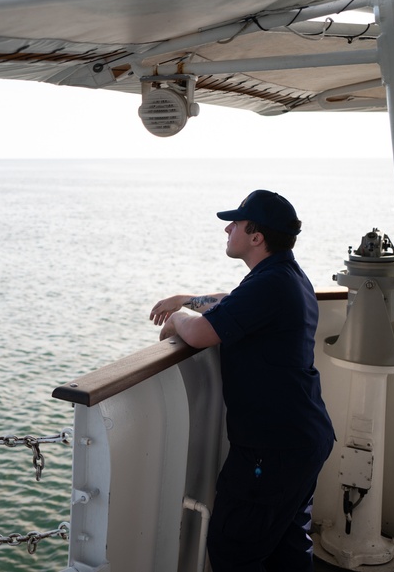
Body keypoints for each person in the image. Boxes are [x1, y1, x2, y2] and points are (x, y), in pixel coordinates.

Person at [149, 189, 334, 572]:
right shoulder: (283, 275)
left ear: (256, 236)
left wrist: (177, 321)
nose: (227, 229)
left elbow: (200, 334)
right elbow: (228, 301)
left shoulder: (270, 284)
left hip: (272, 450)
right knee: (286, 546)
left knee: (234, 549)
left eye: (235, 223)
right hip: (300, 439)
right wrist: (186, 298)